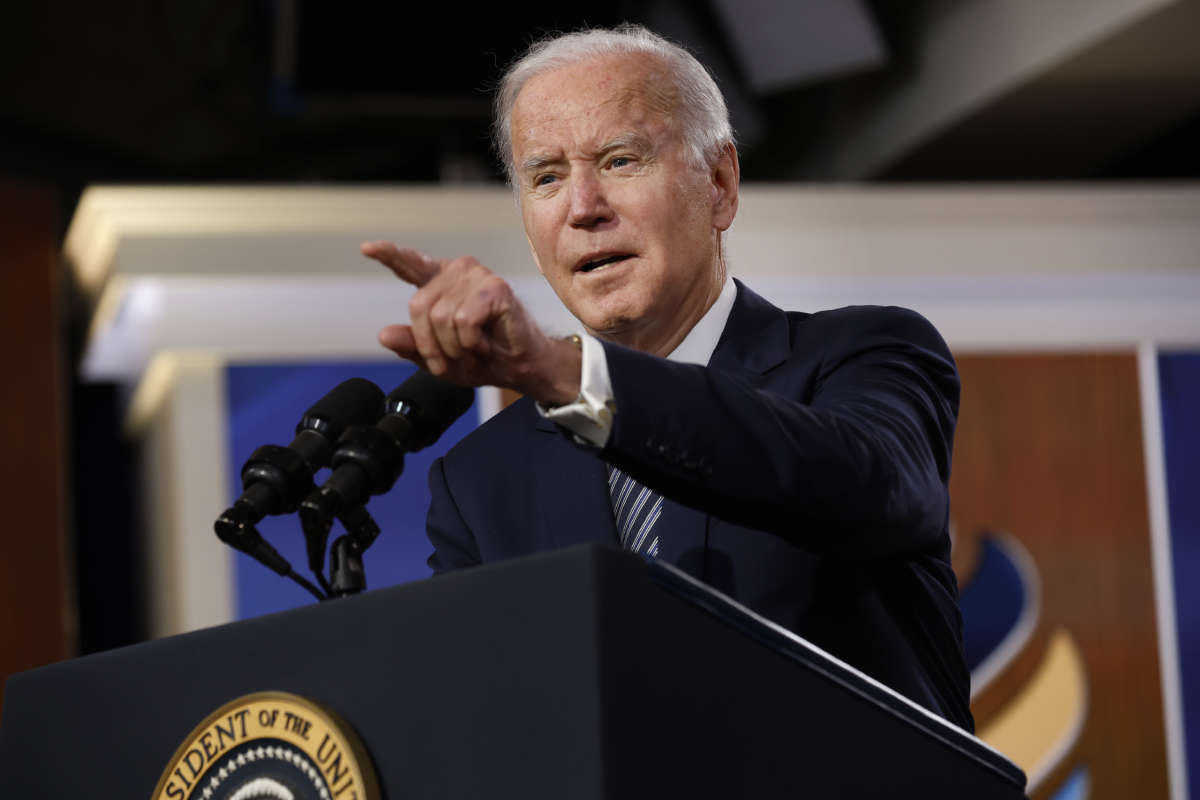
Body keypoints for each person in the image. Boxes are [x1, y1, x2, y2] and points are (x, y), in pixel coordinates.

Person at [362, 24, 973, 731]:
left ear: (719, 184)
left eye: (620, 161)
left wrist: (565, 372)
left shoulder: (862, 355)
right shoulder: (481, 480)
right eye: (547, 177)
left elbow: (861, 485)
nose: (582, 208)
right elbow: (480, 720)